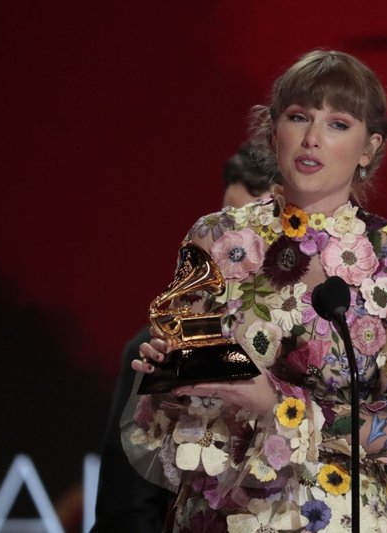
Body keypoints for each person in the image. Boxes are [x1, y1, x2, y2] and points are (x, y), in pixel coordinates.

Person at [123, 49, 387, 532]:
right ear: (274, 132)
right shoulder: (215, 239)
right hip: (219, 513)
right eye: (299, 117)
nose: (312, 138)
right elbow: (174, 411)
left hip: (340, 517)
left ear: (369, 147)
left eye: (338, 124)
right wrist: (167, 374)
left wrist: (279, 406)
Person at [90, 143, 273, 533]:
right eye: (225, 225)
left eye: (250, 231)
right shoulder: (167, 348)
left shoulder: (335, 349)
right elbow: (127, 508)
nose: (229, 248)